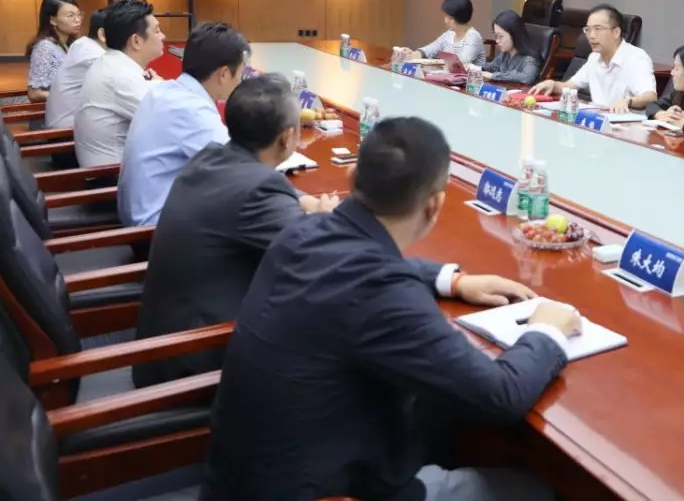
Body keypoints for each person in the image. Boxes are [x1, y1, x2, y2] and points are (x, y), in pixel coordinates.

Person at [200, 116, 579, 501]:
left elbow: (357, 263)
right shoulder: (385, 293)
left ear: (353, 178)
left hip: (239, 478)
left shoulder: (301, 231)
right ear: (435, 205)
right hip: (322, 487)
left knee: (435, 415)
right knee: (536, 490)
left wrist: (453, 281)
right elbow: (501, 396)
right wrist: (546, 330)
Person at [132, 74, 339, 389]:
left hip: (163, 349)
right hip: (196, 368)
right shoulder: (259, 190)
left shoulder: (210, 157)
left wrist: (303, 201)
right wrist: (325, 219)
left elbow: (258, 196)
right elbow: (321, 255)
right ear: (288, 137)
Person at [117, 22, 250, 227]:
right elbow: (240, 170)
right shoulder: (192, 110)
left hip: (141, 213)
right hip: (155, 230)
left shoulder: (165, 90)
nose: (240, 82)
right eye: (240, 73)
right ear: (224, 74)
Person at [73, 0, 164, 168]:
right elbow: (168, 121)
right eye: (157, 31)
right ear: (136, 41)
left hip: (114, 167)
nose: (163, 36)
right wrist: (161, 85)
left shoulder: (112, 62)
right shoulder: (120, 76)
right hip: (111, 176)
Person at [529, 4, 656, 113]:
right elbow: (569, 86)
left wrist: (628, 101)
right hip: (597, 122)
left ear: (616, 32)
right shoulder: (594, 57)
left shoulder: (637, 58)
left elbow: (650, 97)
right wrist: (553, 84)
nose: (591, 36)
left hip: (625, 126)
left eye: (598, 29)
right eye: (588, 30)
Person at [44, 8, 107, 130]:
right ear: (102, 34)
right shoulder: (95, 56)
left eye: (79, 15)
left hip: (63, 123)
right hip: (65, 132)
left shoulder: (82, 44)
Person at [401, 0, 486, 66]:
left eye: (450, 18)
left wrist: (434, 62)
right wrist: (413, 54)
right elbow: (430, 49)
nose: (446, 21)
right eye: (446, 16)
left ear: (461, 16)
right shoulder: (449, 34)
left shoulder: (473, 37)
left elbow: (460, 62)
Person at [26, 0, 82, 102]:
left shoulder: (71, 43)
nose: (77, 20)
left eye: (79, 15)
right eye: (70, 16)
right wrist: (71, 98)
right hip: (56, 108)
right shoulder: (45, 48)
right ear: (53, 20)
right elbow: (34, 93)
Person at [481, 10, 542, 85]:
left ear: (514, 34)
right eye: (496, 36)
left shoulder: (530, 60)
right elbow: (491, 67)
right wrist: (473, 67)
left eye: (500, 36)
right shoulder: (505, 54)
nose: (497, 41)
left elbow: (527, 78)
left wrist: (492, 76)